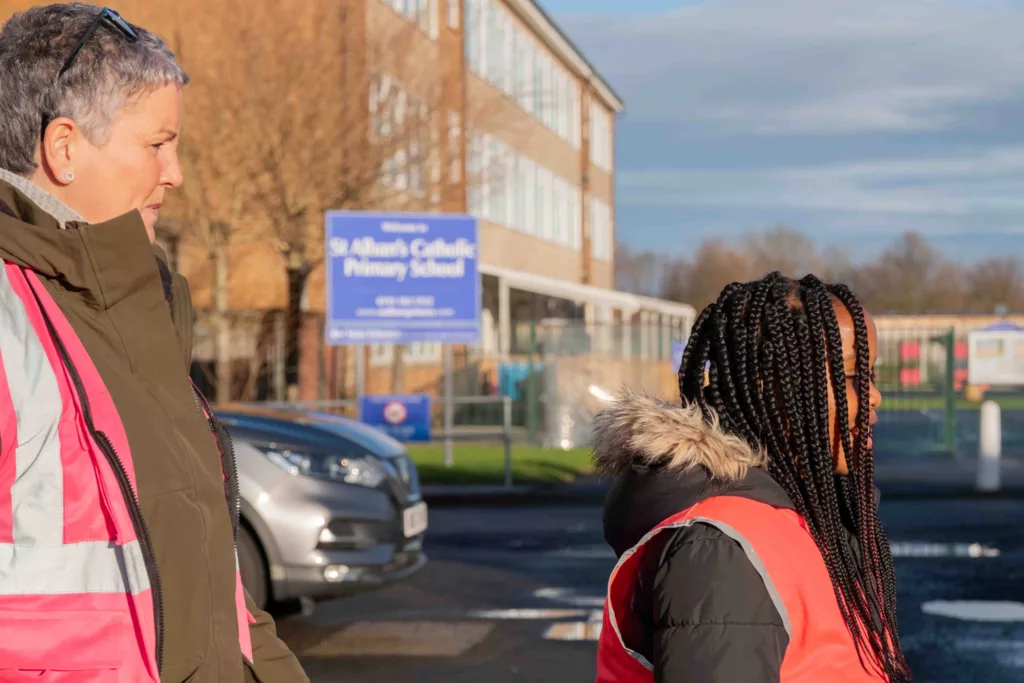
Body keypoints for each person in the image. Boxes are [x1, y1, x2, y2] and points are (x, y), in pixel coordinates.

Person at [0, 5, 306, 682]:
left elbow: (208, 585)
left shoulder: (149, 305)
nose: (176, 173)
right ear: (64, 149)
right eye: (156, 144)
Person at [593, 273, 912, 683]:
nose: (873, 396)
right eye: (850, 377)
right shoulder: (720, 548)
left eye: (870, 377)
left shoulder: (813, 514)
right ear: (769, 388)